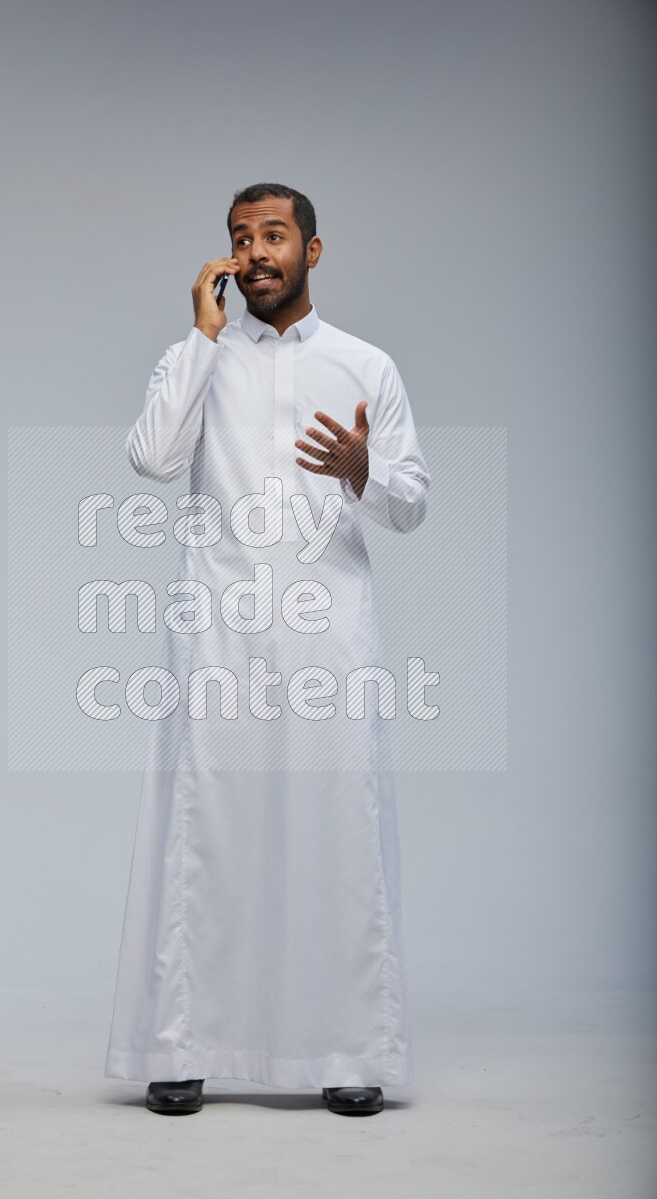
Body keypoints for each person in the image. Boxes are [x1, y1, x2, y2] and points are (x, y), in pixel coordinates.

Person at [105, 183, 430, 1116]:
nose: (256, 253)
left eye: (274, 235)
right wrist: (201, 339)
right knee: (206, 830)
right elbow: (153, 458)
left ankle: (346, 1049)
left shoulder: (366, 364)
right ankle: (182, 1043)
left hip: (330, 633)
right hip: (218, 633)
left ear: (313, 252)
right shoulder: (198, 357)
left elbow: (411, 503)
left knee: (336, 829)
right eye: (241, 237)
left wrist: (365, 472)